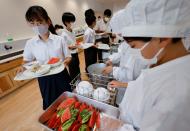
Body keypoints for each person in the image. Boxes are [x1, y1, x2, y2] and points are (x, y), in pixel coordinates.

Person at [102, 0, 190, 130]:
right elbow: (142, 86)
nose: (132, 51)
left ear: (163, 38)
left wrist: (118, 128)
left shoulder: (178, 94)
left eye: (134, 46)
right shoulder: (160, 60)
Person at [21, 6, 72, 110]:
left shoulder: (60, 40)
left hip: (61, 75)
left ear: (48, 21)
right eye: (33, 23)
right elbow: (26, 60)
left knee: (68, 103)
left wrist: (63, 64)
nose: (37, 26)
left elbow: (68, 57)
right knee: (51, 106)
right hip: (44, 79)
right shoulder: (30, 43)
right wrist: (22, 69)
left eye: (39, 22)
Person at [61, 12, 80, 80]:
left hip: (76, 52)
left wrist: (77, 44)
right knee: (73, 71)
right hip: (70, 55)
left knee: (77, 68)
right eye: (71, 21)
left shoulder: (73, 31)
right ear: (66, 22)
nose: (73, 23)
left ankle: (79, 82)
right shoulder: (64, 34)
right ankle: (74, 85)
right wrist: (71, 47)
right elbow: (64, 47)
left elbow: (74, 41)